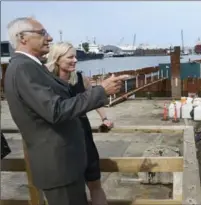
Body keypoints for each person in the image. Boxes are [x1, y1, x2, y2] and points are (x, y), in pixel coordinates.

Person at [4, 17, 126, 205]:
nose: (50, 37)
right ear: (23, 38)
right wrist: (101, 91)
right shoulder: (23, 68)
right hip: (59, 166)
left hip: (66, 163)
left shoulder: (30, 67)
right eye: (42, 33)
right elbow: (56, 110)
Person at [46, 42, 116, 205]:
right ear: (57, 59)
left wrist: (104, 118)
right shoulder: (48, 81)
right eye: (70, 57)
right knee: (70, 190)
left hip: (84, 137)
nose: (75, 60)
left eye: (75, 56)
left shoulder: (80, 78)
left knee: (95, 185)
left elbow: (95, 99)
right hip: (62, 140)